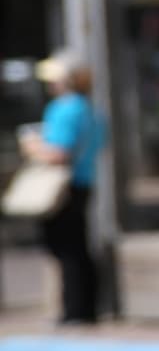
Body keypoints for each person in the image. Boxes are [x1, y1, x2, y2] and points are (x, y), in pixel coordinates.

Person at [20, 49, 104, 324]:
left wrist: (33, 147)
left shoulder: (64, 108)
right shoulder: (89, 108)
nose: (51, 83)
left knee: (66, 248)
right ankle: (86, 309)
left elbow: (59, 153)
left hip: (63, 186)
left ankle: (74, 311)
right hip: (83, 182)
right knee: (78, 245)